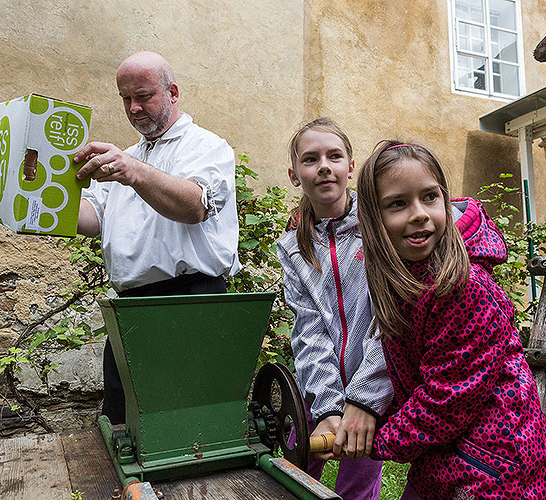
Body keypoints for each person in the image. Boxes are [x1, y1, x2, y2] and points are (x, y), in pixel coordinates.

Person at [356, 141, 546, 500]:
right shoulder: (406, 279)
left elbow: (448, 396)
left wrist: (382, 440)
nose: (419, 213)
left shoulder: (462, 288)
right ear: (373, 221)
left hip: (494, 463)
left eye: (430, 197)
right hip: (449, 453)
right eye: (398, 203)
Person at [74, 51, 240, 425]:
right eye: (125, 98)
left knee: (185, 423)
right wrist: (39, 202)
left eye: (144, 96)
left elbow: (195, 205)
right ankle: (127, 487)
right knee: (122, 417)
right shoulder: (128, 156)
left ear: (173, 92)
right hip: (130, 308)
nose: (134, 108)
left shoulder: (206, 146)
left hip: (190, 303)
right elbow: (92, 218)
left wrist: (134, 171)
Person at [276, 118, 394, 500]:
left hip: (373, 388)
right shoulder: (293, 248)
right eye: (310, 159)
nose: (324, 166)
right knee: (293, 468)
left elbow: (387, 320)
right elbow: (308, 330)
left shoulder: (380, 226)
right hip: (318, 388)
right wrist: (326, 405)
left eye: (334, 156)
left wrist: (363, 400)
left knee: (357, 485)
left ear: (351, 167)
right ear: (294, 175)